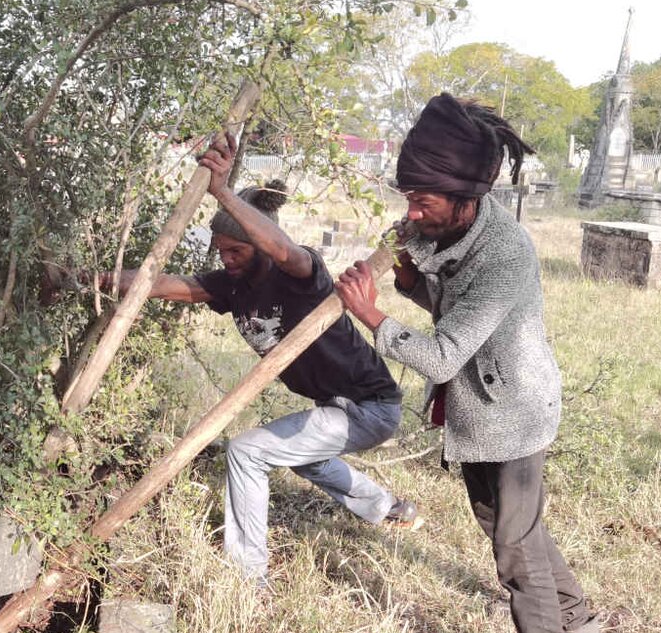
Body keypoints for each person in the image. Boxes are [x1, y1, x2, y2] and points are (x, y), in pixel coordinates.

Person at [335, 93, 600, 633]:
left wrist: (371, 317)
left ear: (468, 198)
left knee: (514, 554)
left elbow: (444, 351)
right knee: (511, 526)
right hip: (479, 408)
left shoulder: (506, 255)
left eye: (424, 201)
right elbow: (439, 297)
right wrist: (400, 276)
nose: (412, 211)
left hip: (513, 415)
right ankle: (578, 617)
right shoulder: (440, 225)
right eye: (409, 196)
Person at [101, 132, 421, 587]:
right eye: (222, 252)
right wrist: (92, 277)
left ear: (259, 245)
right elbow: (159, 283)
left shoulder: (301, 277)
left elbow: (283, 249)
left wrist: (223, 192)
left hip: (371, 407)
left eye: (237, 250)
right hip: (332, 408)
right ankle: (389, 509)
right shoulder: (232, 286)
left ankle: (248, 579)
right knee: (306, 458)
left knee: (248, 451)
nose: (228, 260)